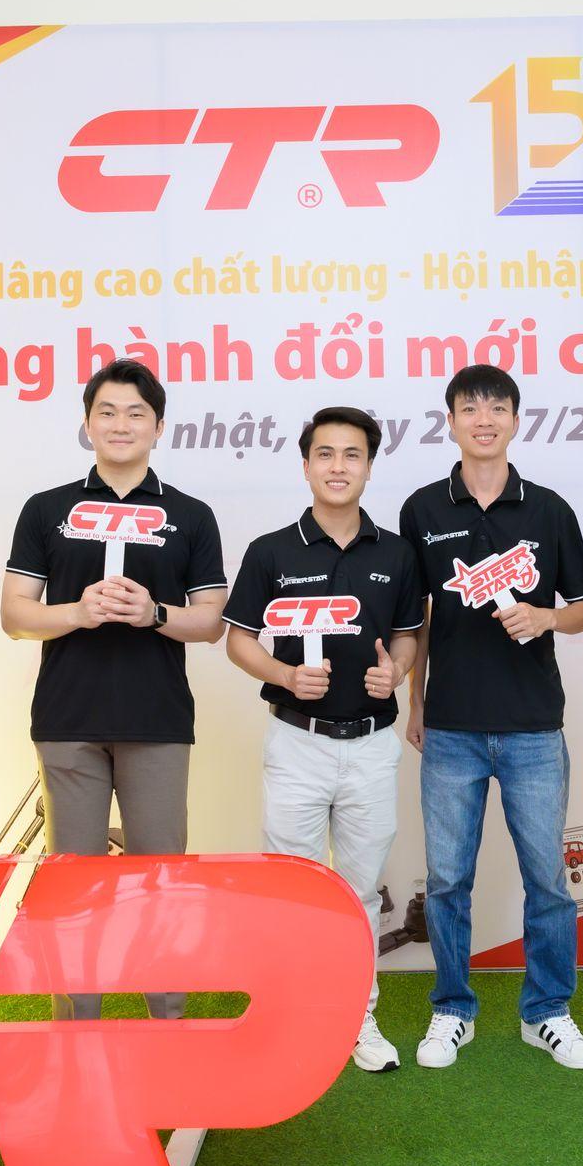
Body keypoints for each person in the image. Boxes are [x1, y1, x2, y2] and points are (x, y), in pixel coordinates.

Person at [1, 359, 227, 1021]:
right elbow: (15, 613)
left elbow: (211, 621)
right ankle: (76, 1028)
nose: (121, 424)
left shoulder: (189, 514)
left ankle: (167, 1023)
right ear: (87, 423)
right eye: (107, 412)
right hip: (67, 721)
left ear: (159, 426)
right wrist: (78, 611)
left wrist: (153, 613)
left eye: (136, 413)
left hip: (157, 722)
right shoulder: (48, 510)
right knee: (73, 885)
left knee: (160, 877)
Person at [399, 364, 583, 1070]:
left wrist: (545, 617)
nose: (483, 419)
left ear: (516, 419)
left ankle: (547, 1011)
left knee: (547, 880)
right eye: (469, 408)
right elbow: (415, 618)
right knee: (447, 881)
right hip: (451, 725)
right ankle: (453, 1009)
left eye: (496, 407)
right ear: (450, 421)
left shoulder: (548, 510)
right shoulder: (423, 509)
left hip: (533, 726)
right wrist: (416, 701)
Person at [222, 406, 424, 1072]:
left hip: (371, 743)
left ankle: (357, 1015)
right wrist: (283, 674)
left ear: (369, 466)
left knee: (360, 892)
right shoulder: (270, 551)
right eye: (326, 454)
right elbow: (239, 640)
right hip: (296, 743)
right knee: (293, 890)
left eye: (352, 454)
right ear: (307, 464)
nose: (339, 467)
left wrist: (397, 670)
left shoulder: (396, 553)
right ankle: (294, 1015)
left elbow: (409, 635)